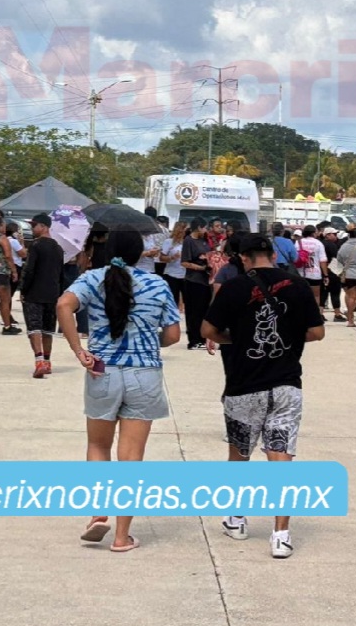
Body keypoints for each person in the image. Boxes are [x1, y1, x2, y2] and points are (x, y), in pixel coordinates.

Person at [57, 224, 181, 554]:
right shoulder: (157, 284)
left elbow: (63, 306)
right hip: (145, 374)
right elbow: (172, 336)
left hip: (103, 371)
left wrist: (79, 351)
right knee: (131, 458)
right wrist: (146, 340)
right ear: (140, 253)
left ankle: (99, 513)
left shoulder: (92, 279)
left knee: (98, 446)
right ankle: (122, 536)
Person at [202, 232, 326, 559]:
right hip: (286, 386)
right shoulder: (298, 285)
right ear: (273, 254)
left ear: (243, 258)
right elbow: (317, 332)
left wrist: (238, 340)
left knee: (239, 456)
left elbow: (207, 331)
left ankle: (236, 518)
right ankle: (281, 535)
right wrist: (289, 338)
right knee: (281, 458)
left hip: (244, 386)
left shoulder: (233, 288)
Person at [18, 213, 65, 378]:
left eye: (34, 226)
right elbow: (61, 274)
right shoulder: (58, 248)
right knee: (48, 329)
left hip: (34, 293)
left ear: (44, 226)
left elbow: (29, 270)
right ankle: (47, 361)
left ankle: (39, 362)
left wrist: (23, 289)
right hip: (52, 293)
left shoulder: (36, 246)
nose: (32, 229)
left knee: (34, 328)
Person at [180, 218, 213, 349]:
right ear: (199, 227)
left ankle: (202, 338)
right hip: (193, 280)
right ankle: (194, 340)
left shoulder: (204, 241)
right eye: (204, 228)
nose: (206, 230)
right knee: (193, 312)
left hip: (205, 281)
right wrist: (201, 268)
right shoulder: (188, 241)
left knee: (203, 311)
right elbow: (184, 262)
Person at [160, 220, 188, 311]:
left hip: (185, 274)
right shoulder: (169, 242)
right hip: (171, 274)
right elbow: (161, 258)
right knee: (172, 299)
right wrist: (172, 257)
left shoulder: (187, 242)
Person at [320, 226, 346, 322]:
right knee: (335, 293)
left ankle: (320, 313)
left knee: (323, 293)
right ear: (327, 235)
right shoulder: (332, 245)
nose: (336, 236)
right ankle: (337, 314)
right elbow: (337, 258)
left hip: (321, 271)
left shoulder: (320, 244)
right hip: (333, 271)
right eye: (334, 234)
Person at [296, 225, 326, 306]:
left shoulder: (298, 242)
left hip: (300, 273)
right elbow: (323, 260)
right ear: (313, 233)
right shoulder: (318, 243)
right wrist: (326, 275)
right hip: (314, 274)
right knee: (316, 296)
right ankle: (315, 312)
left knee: (301, 296)